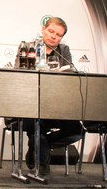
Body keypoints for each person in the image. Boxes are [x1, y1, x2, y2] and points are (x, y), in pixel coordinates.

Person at [21, 17, 83, 175]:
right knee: (37, 127)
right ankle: (43, 165)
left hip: (57, 104)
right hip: (31, 103)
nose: (54, 36)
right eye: (51, 31)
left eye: (59, 34)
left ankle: (38, 146)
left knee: (77, 131)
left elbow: (70, 72)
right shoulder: (28, 47)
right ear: (43, 30)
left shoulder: (64, 50)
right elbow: (19, 73)